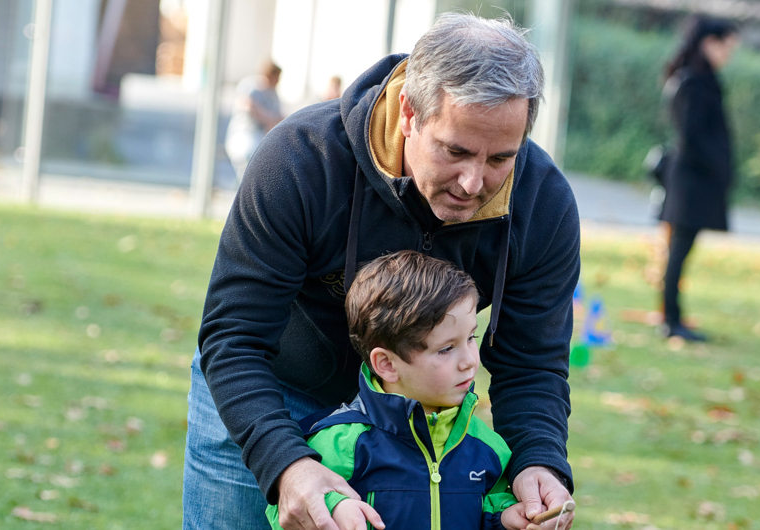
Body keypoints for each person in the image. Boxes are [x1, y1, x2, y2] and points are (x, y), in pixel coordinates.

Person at [184, 12, 580, 530]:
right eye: (455, 150)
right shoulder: (302, 161)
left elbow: (532, 364)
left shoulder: (543, 203)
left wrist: (538, 460)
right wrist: (287, 462)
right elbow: (233, 336)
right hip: (269, 391)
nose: (472, 181)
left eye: (500, 158)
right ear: (410, 113)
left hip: (417, 423)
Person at [266, 251, 549, 530]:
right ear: (387, 364)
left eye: (471, 337)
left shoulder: (487, 446)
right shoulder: (340, 444)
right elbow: (286, 509)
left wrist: (504, 521)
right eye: (447, 348)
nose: (470, 361)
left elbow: (490, 509)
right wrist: (333, 509)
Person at [658, 16, 739, 342]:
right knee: (678, 250)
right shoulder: (694, 82)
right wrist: (718, 165)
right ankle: (671, 320)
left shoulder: (699, 79)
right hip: (692, 181)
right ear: (709, 43)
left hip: (695, 179)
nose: (729, 55)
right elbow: (692, 135)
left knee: (680, 249)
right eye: (727, 47)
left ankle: (673, 317)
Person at [224, 59, 284, 185]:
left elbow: (279, 119)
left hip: (260, 138)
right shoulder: (250, 86)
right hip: (243, 134)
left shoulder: (274, 95)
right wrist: (267, 117)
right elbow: (246, 105)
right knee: (250, 160)